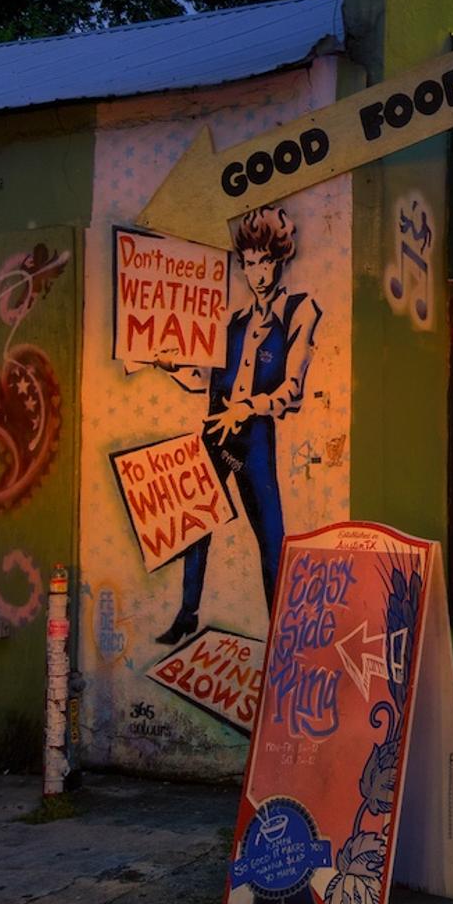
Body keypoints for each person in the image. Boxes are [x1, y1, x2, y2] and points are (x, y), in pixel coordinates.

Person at [156, 204, 320, 645]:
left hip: (253, 436)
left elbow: (293, 389)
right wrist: (171, 366)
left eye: (264, 262)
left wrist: (247, 408)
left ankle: (283, 633)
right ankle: (187, 614)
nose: (256, 273)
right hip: (215, 430)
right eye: (248, 263)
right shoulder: (233, 322)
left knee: (271, 537)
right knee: (195, 523)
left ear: (279, 259)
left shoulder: (298, 312)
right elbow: (202, 380)